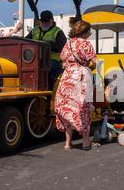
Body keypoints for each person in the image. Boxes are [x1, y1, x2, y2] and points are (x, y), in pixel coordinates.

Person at [54, 20, 97, 151]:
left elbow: (62, 60)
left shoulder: (68, 44)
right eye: (89, 31)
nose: (90, 34)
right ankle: (85, 142)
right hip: (80, 77)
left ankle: (68, 143)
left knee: (68, 109)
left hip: (67, 77)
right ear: (83, 32)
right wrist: (90, 64)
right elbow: (94, 63)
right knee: (82, 109)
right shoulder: (86, 44)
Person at [26, 10, 68, 83]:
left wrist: (48, 44)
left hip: (53, 60)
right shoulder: (35, 30)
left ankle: (47, 88)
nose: (44, 23)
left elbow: (61, 47)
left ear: (52, 20)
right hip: (35, 59)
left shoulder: (58, 32)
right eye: (43, 21)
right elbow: (25, 41)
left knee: (46, 68)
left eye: (46, 21)